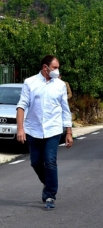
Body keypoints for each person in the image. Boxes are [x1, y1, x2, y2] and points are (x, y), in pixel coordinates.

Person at [16, 55, 73, 210]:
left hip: (53, 129)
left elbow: (65, 109)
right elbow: (21, 106)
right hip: (33, 129)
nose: (57, 70)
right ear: (45, 67)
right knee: (35, 162)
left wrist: (68, 132)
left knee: (50, 161)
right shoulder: (30, 82)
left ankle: (50, 195)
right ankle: (48, 182)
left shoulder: (60, 85)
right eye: (54, 67)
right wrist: (20, 129)